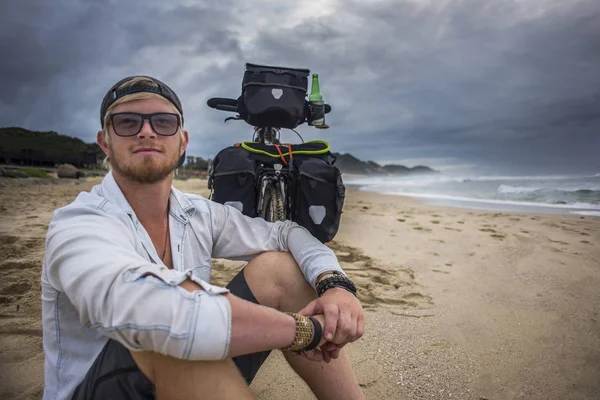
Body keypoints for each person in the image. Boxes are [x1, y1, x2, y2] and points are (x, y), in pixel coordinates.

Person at [41, 75, 366, 400]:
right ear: (104, 142)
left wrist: (334, 284)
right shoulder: (79, 223)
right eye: (127, 122)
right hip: (108, 388)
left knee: (278, 268)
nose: (146, 131)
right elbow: (154, 312)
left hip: (189, 382)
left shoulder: (197, 213)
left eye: (163, 122)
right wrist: (305, 331)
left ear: (183, 141)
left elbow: (286, 232)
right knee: (170, 343)